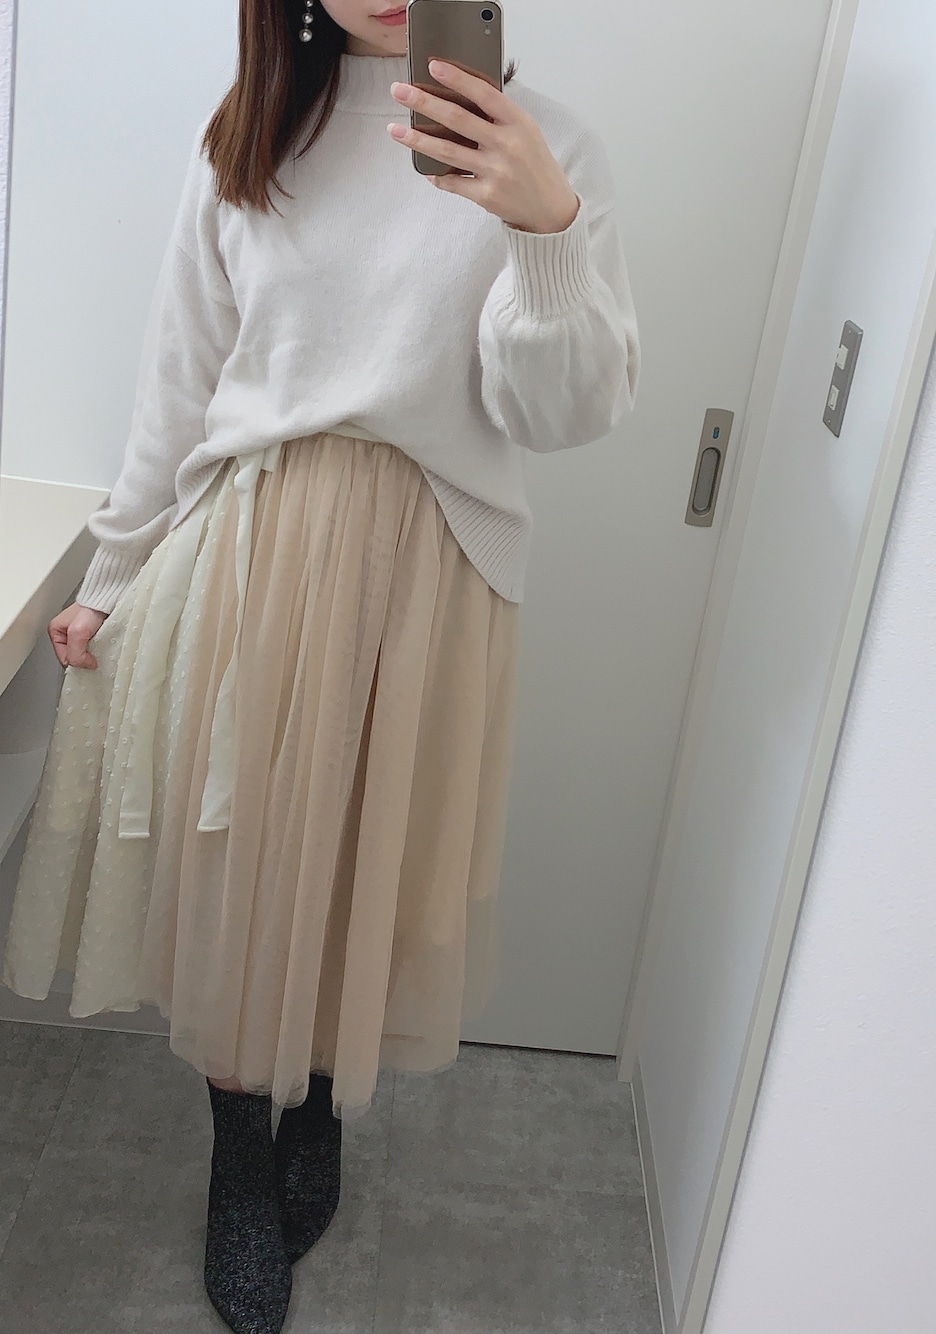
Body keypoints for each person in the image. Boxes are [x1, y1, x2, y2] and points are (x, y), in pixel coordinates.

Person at [1, 1, 640, 1330]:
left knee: (368, 871)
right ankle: (242, 1160)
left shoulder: (546, 145)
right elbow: (181, 379)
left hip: (433, 574)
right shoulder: (250, 134)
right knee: (237, 871)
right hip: (249, 557)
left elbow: (559, 411)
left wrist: (546, 228)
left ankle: (319, 1107)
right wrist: (111, 574)